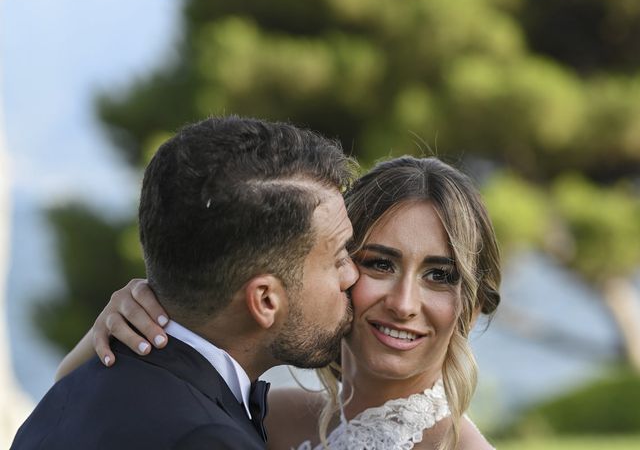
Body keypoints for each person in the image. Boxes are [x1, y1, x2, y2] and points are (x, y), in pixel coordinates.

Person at [57, 156, 501, 449]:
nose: (404, 303)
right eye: (381, 264)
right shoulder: (273, 417)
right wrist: (113, 327)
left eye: (439, 276)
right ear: (338, 268)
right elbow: (78, 413)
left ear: (471, 302)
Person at [11, 115, 360, 450]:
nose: (353, 274)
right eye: (338, 258)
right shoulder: (208, 440)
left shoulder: (71, 392)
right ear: (265, 301)